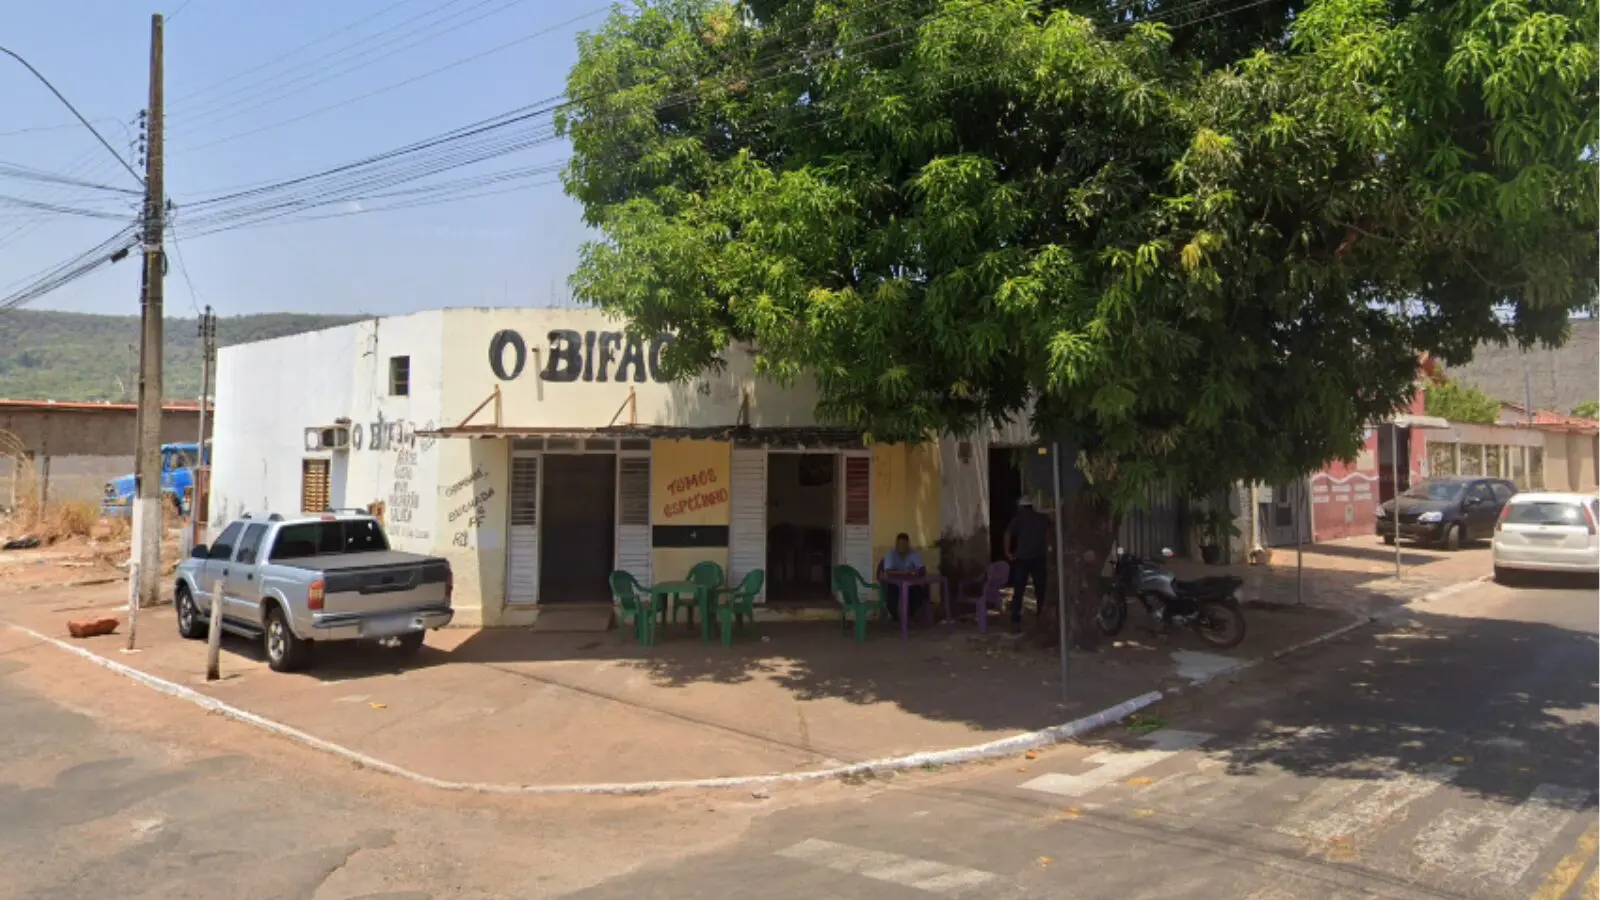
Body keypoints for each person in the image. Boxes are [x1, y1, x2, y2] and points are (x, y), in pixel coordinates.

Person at [1003, 496, 1050, 633]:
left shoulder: (1019, 517)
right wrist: (1047, 550)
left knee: (1019, 591)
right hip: (1039, 557)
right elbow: (1048, 535)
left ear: (1021, 507)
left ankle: (1015, 621)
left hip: (1022, 559)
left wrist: (1008, 552)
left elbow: (1007, 533)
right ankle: (1041, 619)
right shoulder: (1042, 518)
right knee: (1040, 590)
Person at [877, 532, 928, 622]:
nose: (902, 546)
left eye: (904, 544)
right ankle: (896, 616)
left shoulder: (913, 553)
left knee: (919, 592)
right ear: (896, 544)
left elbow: (922, 569)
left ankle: (912, 615)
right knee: (893, 597)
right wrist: (905, 573)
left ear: (908, 545)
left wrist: (918, 572)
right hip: (894, 584)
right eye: (900, 544)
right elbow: (889, 572)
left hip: (911, 584)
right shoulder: (890, 554)